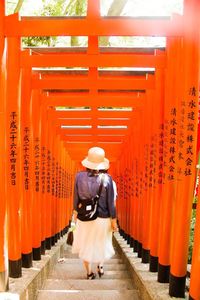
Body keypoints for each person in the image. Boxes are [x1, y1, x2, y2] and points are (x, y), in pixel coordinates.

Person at [72, 147, 118, 280]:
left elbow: (76, 199)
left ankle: (89, 273)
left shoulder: (79, 177)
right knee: (101, 243)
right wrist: (113, 221)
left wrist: (74, 215)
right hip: (102, 219)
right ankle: (100, 266)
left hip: (84, 218)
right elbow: (111, 203)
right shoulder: (108, 179)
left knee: (86, 244)